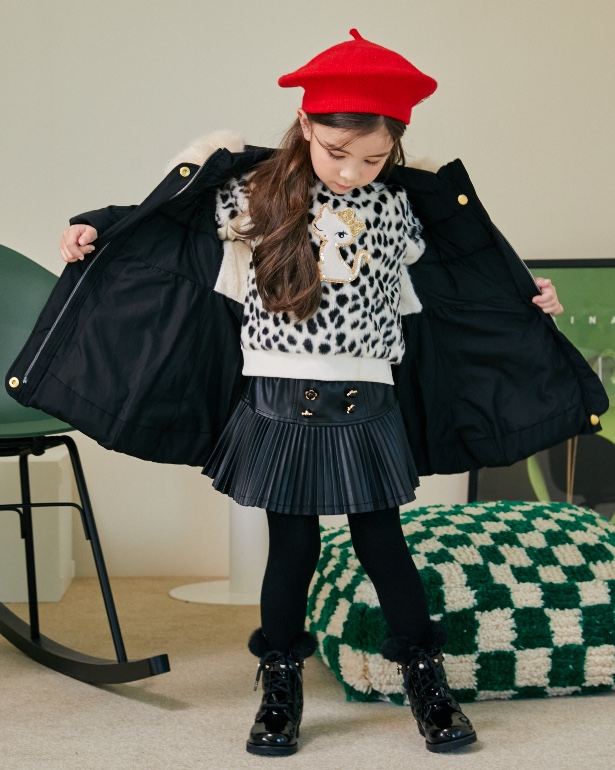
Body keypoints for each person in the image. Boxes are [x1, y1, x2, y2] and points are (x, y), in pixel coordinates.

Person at [15, 29, 605, 758]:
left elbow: (464, 276)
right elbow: (168, 223)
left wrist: (527, 293)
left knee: (382, 542)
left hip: (368, 399)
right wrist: (98, 226)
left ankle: (425, 678)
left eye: (374, 158)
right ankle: (281, 681)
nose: (353, 171)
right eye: (337, 152)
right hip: (278, 397)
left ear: (394, 147)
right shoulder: (255, 196)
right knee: (291, 547)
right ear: (304, 125)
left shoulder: (400, 207)